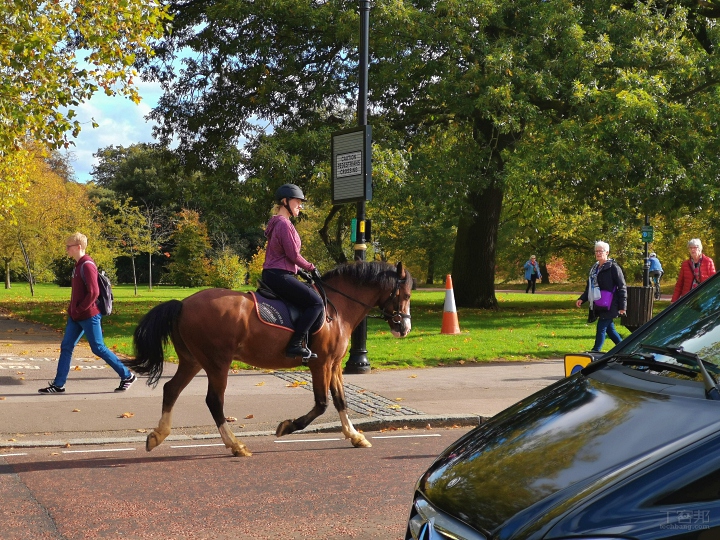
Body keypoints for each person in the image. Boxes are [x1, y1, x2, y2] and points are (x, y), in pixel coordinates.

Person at [39, 233, 136, 394]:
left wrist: (78, 309)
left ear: (78, 247)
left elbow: (94, 293)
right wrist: (72, 311)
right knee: (66, 346)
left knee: (98, 348)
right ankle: (58, 385)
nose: (66, 249)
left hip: (89, 315)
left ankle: (127, 376)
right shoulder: (78, 265)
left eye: (68, 246)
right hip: (76, 316)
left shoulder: (87, 265)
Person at [262, 184, 323, 361]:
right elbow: (293, 254)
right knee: (317, 303)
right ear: (285, 201)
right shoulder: (283, 224)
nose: (300, 206)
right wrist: (311, 267)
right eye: (298, 202)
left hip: (277, 273)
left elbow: (283, 256)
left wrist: (301, 272)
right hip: (279, 275)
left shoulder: (278, 223)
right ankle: (294, 345)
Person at [575, 241, 627, 352]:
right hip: (599, 302)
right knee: (610, 330)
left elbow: (622, 287)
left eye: (601, 251)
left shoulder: (613, 267)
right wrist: (582, 299)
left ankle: (595, 350)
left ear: (607, 252)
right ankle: (624, 348)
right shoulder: (594, 269)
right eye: (596, 251)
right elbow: (590, 287)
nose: (598, 253)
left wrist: (623, 306)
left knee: (601, 327)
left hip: (611, 303)